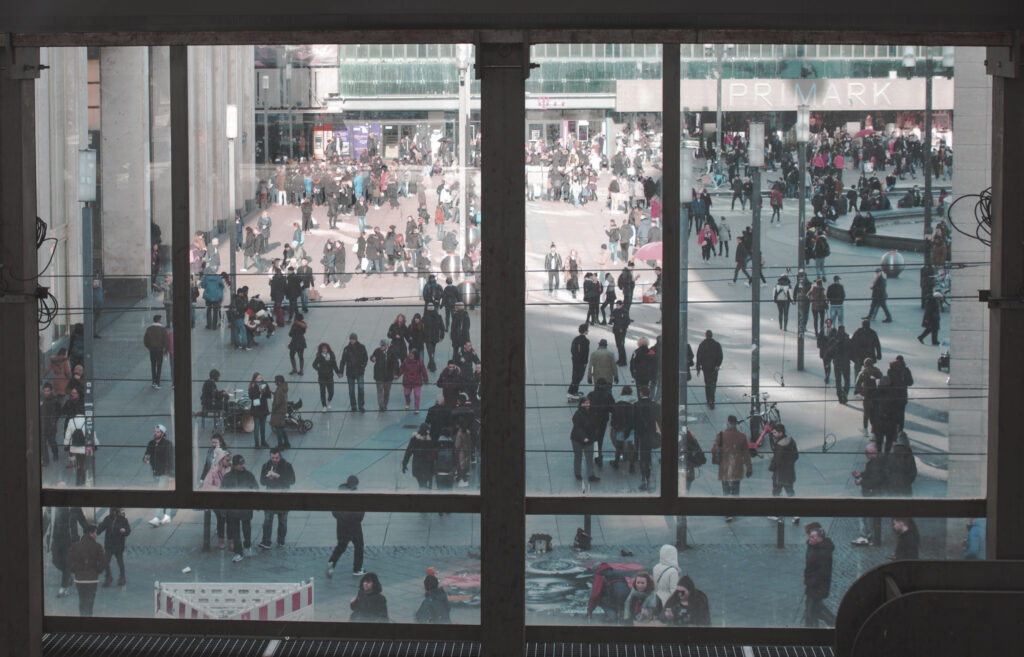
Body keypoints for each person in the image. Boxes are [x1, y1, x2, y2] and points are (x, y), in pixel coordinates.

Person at [221, 454, 259, 562]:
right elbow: (222, 493)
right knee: (235, 531)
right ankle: (238, 552)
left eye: (243, 464)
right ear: (235, 465)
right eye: (240, 464)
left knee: (247, 529)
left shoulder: (249, 475)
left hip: (245, 508)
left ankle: (247, 546)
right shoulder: (228, 477)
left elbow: (256, 488)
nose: (242, 466)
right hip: (233, 510)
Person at [326, 475, 366, 577]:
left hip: (341, 525)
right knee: (359, 546)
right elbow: (360, 512)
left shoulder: (339, 493)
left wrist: (341, 518)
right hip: (354, 525)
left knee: (341, 545)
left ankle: (331, 563)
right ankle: (357, 569)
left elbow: (334, 511)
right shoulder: (356, 495)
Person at [711, 416, 752, 511]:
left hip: (725, 467)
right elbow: (746, 454)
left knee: (725, 489)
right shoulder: (742, 436)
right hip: (737, 467)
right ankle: (735, 508)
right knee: (736, 488)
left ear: (728, 423)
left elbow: (713, 450)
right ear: (736, 424)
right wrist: (749, 468)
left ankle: (727, 511)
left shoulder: (720, 435)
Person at [258, 448, 296, 549]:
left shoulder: (287, 466)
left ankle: (281, 540)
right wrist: (268, 478)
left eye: (276, 458)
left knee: (282, 521)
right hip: (270, 497)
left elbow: (292, 480)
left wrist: (278, 476)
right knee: (267, 521)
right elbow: (262, 481)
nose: (274, 460)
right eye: (273, 458)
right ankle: (266, 541)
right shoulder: (266, 466)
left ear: (280, 456)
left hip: (283, 498)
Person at [851, 443, 887, 546]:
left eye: (866, 453)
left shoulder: (875, 463)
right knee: (871, 516)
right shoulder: (876, 462)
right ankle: (872, 537)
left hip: (872, 493)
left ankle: (866, 536)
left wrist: (861, 481)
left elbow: (875, 480)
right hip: (875, 493)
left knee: (865, 515)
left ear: (872, 452)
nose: (865, 455)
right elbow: (871, 474)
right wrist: (861, 474)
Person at [65, 524, 105, 617]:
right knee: (90, 602)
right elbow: (103, 563)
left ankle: (82, 619)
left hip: (79, 579)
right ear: (91, 533)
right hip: (93, 579)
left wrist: (76, 570)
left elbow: (69, 561)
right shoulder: (97, 546)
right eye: (95, 532)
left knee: (82, 600)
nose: (96, 534)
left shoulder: (75, 546)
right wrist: (97, 571)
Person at [803, 522, 836, 627]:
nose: (809, 538)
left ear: (819, 538)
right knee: (815, 610)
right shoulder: (814, 547)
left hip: (816, 587)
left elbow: (822, 573)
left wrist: (809, 581)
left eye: (812, 536)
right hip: (814, 586)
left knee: (813, 611)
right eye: (809, 535)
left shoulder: (822, 553)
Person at [52, 505, 88, 598]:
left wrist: (90, 531)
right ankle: (68, 577)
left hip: (70, 539)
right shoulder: (54, 506)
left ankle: (64, 588)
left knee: (66, 563)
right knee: (55, 561)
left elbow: (82, 520)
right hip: (56, 538)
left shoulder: (75, 507)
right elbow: (46, 520)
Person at [144, 425, 175, 527]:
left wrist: (171, 475)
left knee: (160, 495)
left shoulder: (167, 444)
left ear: (162, 433)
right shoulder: (151, 443)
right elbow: (147, 454)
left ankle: (157, 517)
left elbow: (171, 460)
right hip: (155, 473)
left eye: (157, 432)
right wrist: (145, 458)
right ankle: (167, 515)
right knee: (165, 495)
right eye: (155, 431)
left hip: (164, 473)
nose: (155, 433)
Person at [633, 385, 661, 490]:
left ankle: (645, 476)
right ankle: (647, 472)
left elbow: (634, 422)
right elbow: (659, 421)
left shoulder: (636, 405)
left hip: (641, 435)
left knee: (643, 456)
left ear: (641, 394)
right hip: (652, 434)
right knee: (647, 455)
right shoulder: (656, 406)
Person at [96, 507, 130, 587]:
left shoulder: (123, 520)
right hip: (109, 545)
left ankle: (122, 577)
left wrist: (124, 531)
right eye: (120, 511)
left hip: (119, 545)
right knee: (106, 561)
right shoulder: (108, 519)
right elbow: (101, 527)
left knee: (120, 562)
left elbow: (128, 530)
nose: (122, 512)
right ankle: (108, 576)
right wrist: (95, 533)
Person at [570, 397, 599, 483]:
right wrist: (584, 437)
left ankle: (590, 475)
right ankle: (578, 473)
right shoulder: (578, 414)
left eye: (589, 403)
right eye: (586, 403)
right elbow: (577, 428)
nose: (588, 405)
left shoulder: (591, 413)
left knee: (589, 458)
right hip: (578, 439)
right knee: (578, 456)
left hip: (588, 438)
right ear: (581, 404)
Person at [340, 333, 369, 412]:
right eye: (351, 339)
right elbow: (342, 361)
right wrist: (341, 371)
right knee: (351, 390)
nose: (352, 340)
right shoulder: (346, 349)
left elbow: (366, 358)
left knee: (361, 389)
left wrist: (363, 366)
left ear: (356, 339)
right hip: (350, 372)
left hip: (359, 372)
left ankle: (361, 405)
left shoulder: (362, 347)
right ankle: (353, 406)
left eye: (353, 339)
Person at [768, 423, 799, 497]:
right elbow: (796, 456)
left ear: (781, 433)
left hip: (779, 474)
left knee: (776, 492)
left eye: (775, 433)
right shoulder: (791, 441)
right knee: (790, 491)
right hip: (789, 473)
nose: (773, 434)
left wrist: (771, 467)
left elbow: (776, 460)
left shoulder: (780, 445)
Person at [695, 330, 723, 409]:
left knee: (707, 384)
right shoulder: (717, 344)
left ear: (706, 336)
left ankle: (708, 400)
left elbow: (699, 357)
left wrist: (698, 368)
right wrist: (717, 365)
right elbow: (720, 356)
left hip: (706, 368)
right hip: (714, 368)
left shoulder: (702, 345)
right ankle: (712, 400)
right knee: (713, 384)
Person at [403, 423, 436, 489]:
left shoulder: (414, 439)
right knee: (424, 483)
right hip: (427, 465)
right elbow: (433, 454)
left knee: (421, 483)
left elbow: (408, 452)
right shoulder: (429, 440)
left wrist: (404, 464)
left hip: (417, 464)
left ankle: (422, 493)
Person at [397, 348, 430, 413]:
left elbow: (424, 371)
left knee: (417, 395)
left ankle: (416, 408)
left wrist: (426, 379)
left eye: (411, 355)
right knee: (407, 394)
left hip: (416, 381)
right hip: (407, 381)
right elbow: (401, 369)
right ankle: (408, 402)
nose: (410, 356)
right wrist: (397, 375)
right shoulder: (406, 361)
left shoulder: (420, 362)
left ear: (415, 355)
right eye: (410, 354)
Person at [143, 314, 169, 389]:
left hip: (152, 350)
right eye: (161, 319)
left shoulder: (149, 329)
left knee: (153, 365)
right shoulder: (163, 329)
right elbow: (166, 341)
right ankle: (157, 382)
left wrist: (149, 347)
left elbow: (145, 340)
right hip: (159, 350)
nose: (161, 321)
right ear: (158, 320)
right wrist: (165, 349)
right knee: (159, 366)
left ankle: (153, 381)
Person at [312, 342, 341, 411]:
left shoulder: (331, 356)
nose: (324, 350)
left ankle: (329, 400)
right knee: (322, 392)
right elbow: (314, 365)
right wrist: (319, 369)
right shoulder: (319, 356)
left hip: (330, 376)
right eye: (323, 349)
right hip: (322, 377)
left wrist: (338, 373)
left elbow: (334, 365)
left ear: (328, 349)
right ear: (321, 349)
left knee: (331, 392)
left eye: (325, 348)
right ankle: (324, 406)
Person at [248, 373, 272, 449]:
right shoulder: (252, 386)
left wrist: (264, 391)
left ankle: (263, 441)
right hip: (256, 409)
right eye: (258, 378)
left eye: (261, 377)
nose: (260, 379)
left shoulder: (265, 384)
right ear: (255, 379)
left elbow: (269, 395)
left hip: (263, 408)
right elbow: (251, 396)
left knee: (263, 427)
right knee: (257, 427)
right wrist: (258, 391)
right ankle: (257, 443)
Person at [568, 324, 590, 400]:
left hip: (575, 361)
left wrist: (575, 357)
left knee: (575, 376)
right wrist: (584, 362)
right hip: (581, 362)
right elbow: (585, 353)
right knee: (579, 377)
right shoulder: (586, 341)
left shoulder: (575, 339)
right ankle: (572, 392)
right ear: (585, 331)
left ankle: (573, 391)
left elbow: (572, 350)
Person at [269, 375, 291, 449]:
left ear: (278, 382)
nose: (275, 383)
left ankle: (280, 445)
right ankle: (286, 443)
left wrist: (273, 410)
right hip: (283, 410)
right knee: (282, 427)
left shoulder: (279, 390)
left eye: (275, 381)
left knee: (278, 429)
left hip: (278, 412)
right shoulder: (283, 388)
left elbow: (277, 402)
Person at [423, 303, 445, 371]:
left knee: (430, 352)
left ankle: (432, 366)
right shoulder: (438, 316)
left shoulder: (425, 317)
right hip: (435, 337)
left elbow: (421, 327)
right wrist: (441, 336)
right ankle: (430, 364)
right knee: (432, 351)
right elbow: (442, 328)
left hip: (427, 337)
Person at [610, 300, 630, 366]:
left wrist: (623, 328)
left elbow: (627, 321)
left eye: (618, 305)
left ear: (621, 305)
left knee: (621, 345)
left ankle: (623, 361)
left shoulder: (625, 311)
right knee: (618, 345)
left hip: (622, 331)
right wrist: (612, 318)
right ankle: (620, 359)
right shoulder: (615, 311)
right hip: (616, 329)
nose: (617, 306)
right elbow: (612, 318)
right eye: (617, 305)